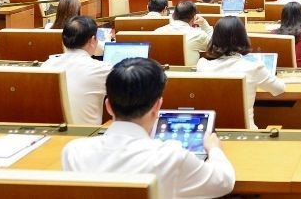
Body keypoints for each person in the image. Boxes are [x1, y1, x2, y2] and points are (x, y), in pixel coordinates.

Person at [61, 57, 235, 199]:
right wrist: (214, 149)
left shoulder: (74, 152)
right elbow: (224, 181)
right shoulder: (171, 157)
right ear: (157, 107)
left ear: (108, 106)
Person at [196, 16, 285, 129]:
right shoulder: (253, 66)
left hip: (212, 132)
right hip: (247, 133)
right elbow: (279, 89)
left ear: (214, 38)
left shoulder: (202, 65)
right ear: (243, 37)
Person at [42, 16, 111, 125]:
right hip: (88, 137)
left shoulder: (47, 65)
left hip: (55, 137)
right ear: (93, 40)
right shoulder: (101, 69)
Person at [155, 0, 213, 66]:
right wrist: (204, 24)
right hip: (189, 75)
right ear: (194, 18)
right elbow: (214, 45)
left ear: (173, 15)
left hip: (162, 74)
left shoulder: (157, 32)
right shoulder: (198, 34)